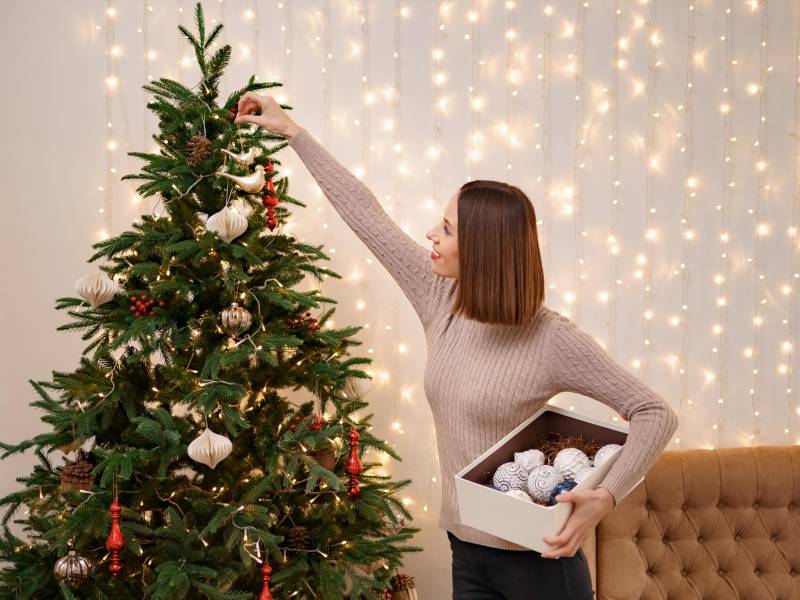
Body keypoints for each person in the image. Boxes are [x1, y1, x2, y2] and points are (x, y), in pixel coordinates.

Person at [235, 92, 679, 599]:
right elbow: (368, 217)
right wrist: (294, 133)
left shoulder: (552, 337)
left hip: (541, 568)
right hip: (466, 551)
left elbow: (654, 413)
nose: (431, 235)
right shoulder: (439, 298)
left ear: (484, 250)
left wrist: (604, 495)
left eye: (446, 229)